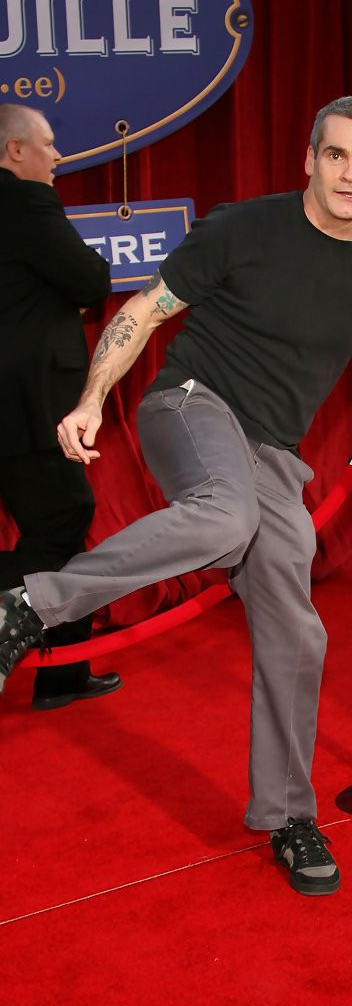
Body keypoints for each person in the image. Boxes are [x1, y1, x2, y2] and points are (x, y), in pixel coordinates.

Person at [0, 96, 352, 895]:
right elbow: (141, 312)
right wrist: (93, 399)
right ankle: (29, 607)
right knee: (224, 515)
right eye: (335, 155)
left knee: (299, 628)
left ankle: (288, 815)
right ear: (309, 158)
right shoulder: (243, 228)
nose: (350, 173)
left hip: (270, 452)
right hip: (191, 403)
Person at [0, 103, 122, 710]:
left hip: (14, 399)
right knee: (63, 524)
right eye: (47, 144)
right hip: (30, 402)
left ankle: (64, 675)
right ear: (15, 150)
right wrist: (64, 293)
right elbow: (91, 280)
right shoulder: (25, 201)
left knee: (60, 531)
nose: (58, 156)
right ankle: (36, 645)